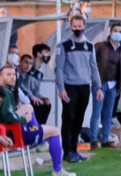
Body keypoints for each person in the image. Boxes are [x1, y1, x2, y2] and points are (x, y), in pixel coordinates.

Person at [0, 65, 72, 176]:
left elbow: (4, 116)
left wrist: (19, 110)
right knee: (55, 131)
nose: (12, 77)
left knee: (28, 107)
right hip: (15, 135)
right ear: (1, 78)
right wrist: (24, 118)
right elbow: (9, 118)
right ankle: (57, 170)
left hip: (9, 133)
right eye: (8, 74)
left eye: (14, 74)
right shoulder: (5, 93)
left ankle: (41, 143)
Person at [55, 13, 102, 164]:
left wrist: (98, 87)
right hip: (70, 87)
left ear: (84, 26)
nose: (77, 29)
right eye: (74, 26)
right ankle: (67, 151)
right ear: (71, 27)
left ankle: (74, 150)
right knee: (68, 119)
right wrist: (61, 88)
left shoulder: (89, 46)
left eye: (79, 26)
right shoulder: (63, 45)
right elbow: (59, 68)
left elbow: (94, 67)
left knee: (79, 119)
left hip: (84, 87)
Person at [91, 20, 121, 147]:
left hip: (113, 85)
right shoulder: (99, 46)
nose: (118, 33)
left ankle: (105, 139)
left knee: (108, 114)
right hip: (100, 84)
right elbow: (92, 64)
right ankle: (93, 140)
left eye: (120, 32)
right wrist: (95, 82)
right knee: (97, 113)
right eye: (115, 31)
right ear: (110, 32)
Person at [25, 44, 53, 125]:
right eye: (46, 52)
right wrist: (32, 96)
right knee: (38, 104)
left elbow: (36, 90)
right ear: (38, 53)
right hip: (25, 97)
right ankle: (34, 127)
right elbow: (22, 86)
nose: (48, 55)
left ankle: (41, 127)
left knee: (47, 105)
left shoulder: (40, 73)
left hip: (32, 97)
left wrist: (42, 98)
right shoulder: (28, 67)